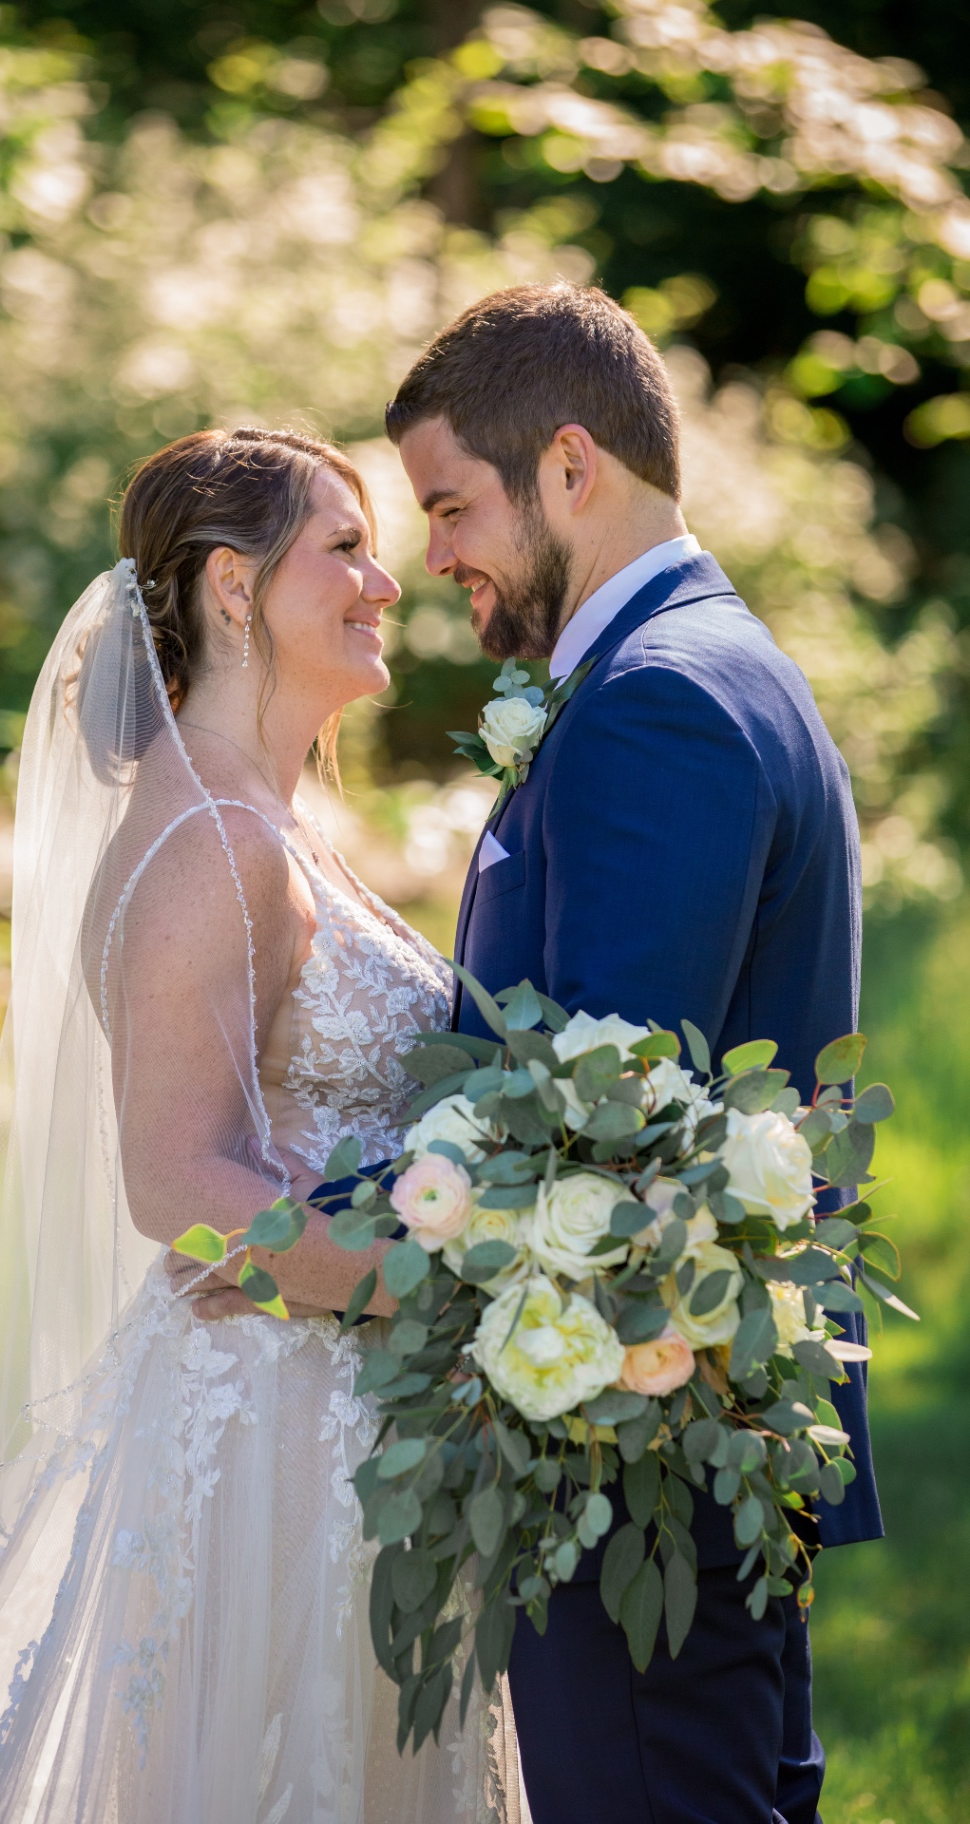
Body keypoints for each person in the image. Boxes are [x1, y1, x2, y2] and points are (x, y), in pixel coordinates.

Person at [0, 429, 524, 1823]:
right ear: (234, 588)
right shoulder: (212, 844)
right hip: (287, 1427)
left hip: (341, 1401)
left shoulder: (267, 824)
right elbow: (178, 1179)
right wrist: (461, 1286)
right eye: (343, 548)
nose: (384, 582)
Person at [386, 281, 883, 1824]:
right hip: (702, 1425)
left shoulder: (654, 703)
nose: (436, 555)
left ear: (573, 466)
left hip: (631, 1454)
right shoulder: (699, 665)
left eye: (453, 503)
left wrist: (314, 1238)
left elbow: (586, 1123)